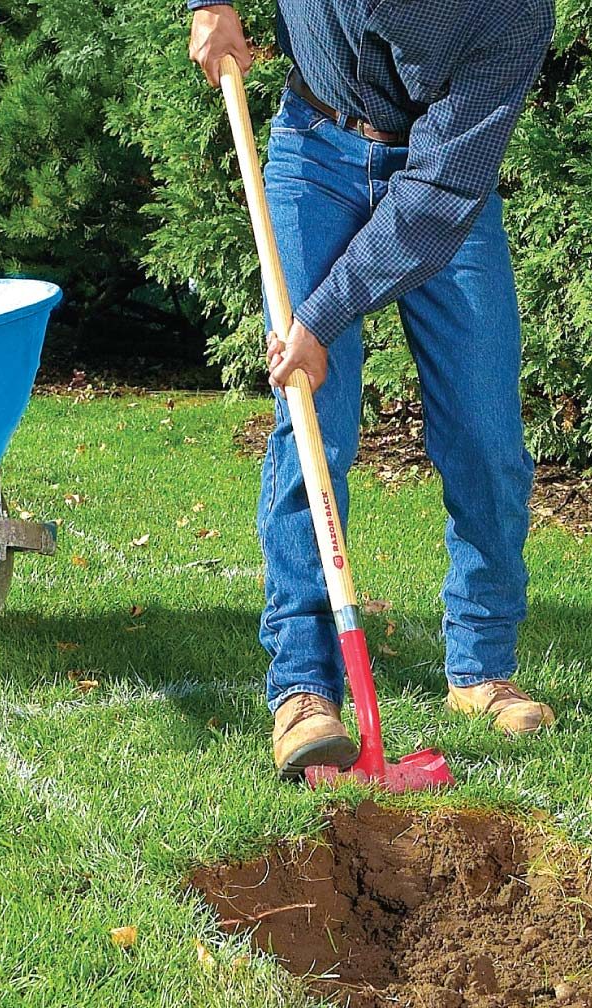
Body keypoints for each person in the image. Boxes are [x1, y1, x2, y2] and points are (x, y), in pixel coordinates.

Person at [188, 0, 557, 780]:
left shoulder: (515, 13)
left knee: (488, 435)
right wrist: (208, 5)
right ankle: (304, 687)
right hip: (312, 148)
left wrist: (319, 318)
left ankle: (482, 668)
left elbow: (438, 198)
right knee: (311, 418)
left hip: (440, 183)